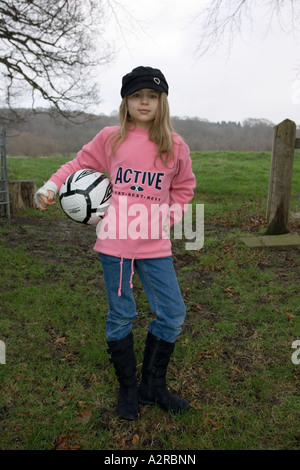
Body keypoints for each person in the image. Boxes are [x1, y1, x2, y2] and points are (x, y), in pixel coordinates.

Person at [35, 66, 196, 421]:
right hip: (115, 244)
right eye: (137, 96)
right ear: (126, 101)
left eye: (152, 96)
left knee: (172, 313)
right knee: (122, 313)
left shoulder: (175, 145)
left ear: (162, 102)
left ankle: (153, 386)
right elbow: (77, 165)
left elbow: (184, 189)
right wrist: (50, 186)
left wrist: (165, 218)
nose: (144, 102)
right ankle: (128, 387)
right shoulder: (111, 138)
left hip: (154, 246)